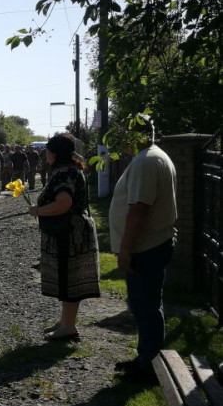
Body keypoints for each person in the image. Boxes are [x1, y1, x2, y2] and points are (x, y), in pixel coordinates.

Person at [108, 122, 178, 379]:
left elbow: (139, 210)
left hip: (146, 246)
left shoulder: (145, 162)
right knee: (146, 304)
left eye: (122, 135)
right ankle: (145, 358)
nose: (120, 142)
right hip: (153, 243)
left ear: (133, 135)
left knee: (145, 306)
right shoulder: (154, 157)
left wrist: (125, 248)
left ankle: (148, 366)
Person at [29, 133, 100, 341]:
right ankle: (65, 321)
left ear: (54, 153)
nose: (45, 155)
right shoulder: (71, 169)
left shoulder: (63, 173)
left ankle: (68, 327)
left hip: (68, 234)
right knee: (67, 277)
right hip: (72, 230)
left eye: (48, 151)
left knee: (68, 277)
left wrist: (37, 211)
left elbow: (63, 203)